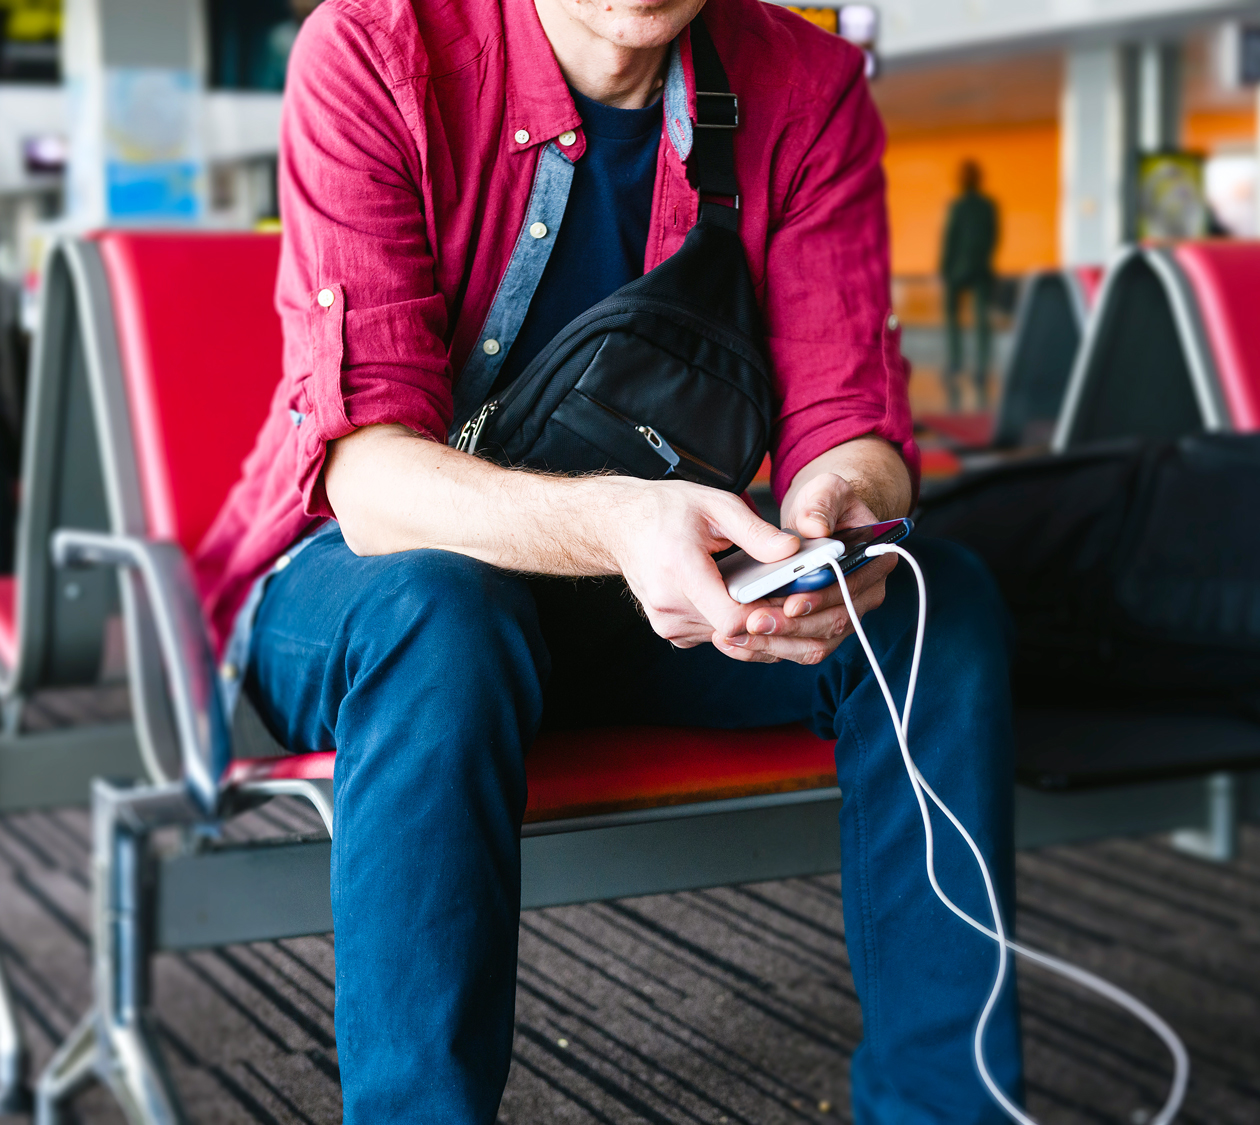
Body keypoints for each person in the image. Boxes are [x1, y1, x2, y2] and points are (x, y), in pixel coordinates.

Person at [195, 0, 1025, 1120]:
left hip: (642, 584)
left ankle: (948, 1107)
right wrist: (619, 524)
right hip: (361, 582)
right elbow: (374, 484)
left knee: (935, 605)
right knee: (443, 610)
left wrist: (832, 516)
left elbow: (849, 416)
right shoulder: (379, 51)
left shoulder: (806, 85)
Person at [941, 159, 1001, 413]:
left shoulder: (959, 206)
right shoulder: (987, 206)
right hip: (980, 269)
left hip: (958, 270)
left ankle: (958, 364)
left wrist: (945, 268)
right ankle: (980, 367)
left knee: (957, 319)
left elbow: (950, 239)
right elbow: (993, 237)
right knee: (980, 321)